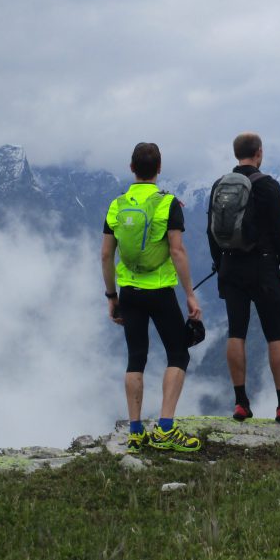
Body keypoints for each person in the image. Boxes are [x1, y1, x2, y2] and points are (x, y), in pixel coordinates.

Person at [102, 142, 202, 453]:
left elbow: (106, 254)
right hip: (160, 291)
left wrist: (111, 295)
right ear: (159, 169)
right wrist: (189, 295)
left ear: (131, 168)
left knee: (136, 357)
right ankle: (165, 429)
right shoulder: (167, 203)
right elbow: (177, 250)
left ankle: (135, 432)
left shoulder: (118, 204)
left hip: (129, 291)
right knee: (178, 354)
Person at [208, 132, 280, 423]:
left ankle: (240, 403)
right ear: (259, 153)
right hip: (263, 267)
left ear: (236, 154)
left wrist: (218, 262)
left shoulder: (219, 186)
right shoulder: (268, 186)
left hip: (231, 266)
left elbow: (213, 230)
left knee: (236, 332)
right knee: (276, 334)